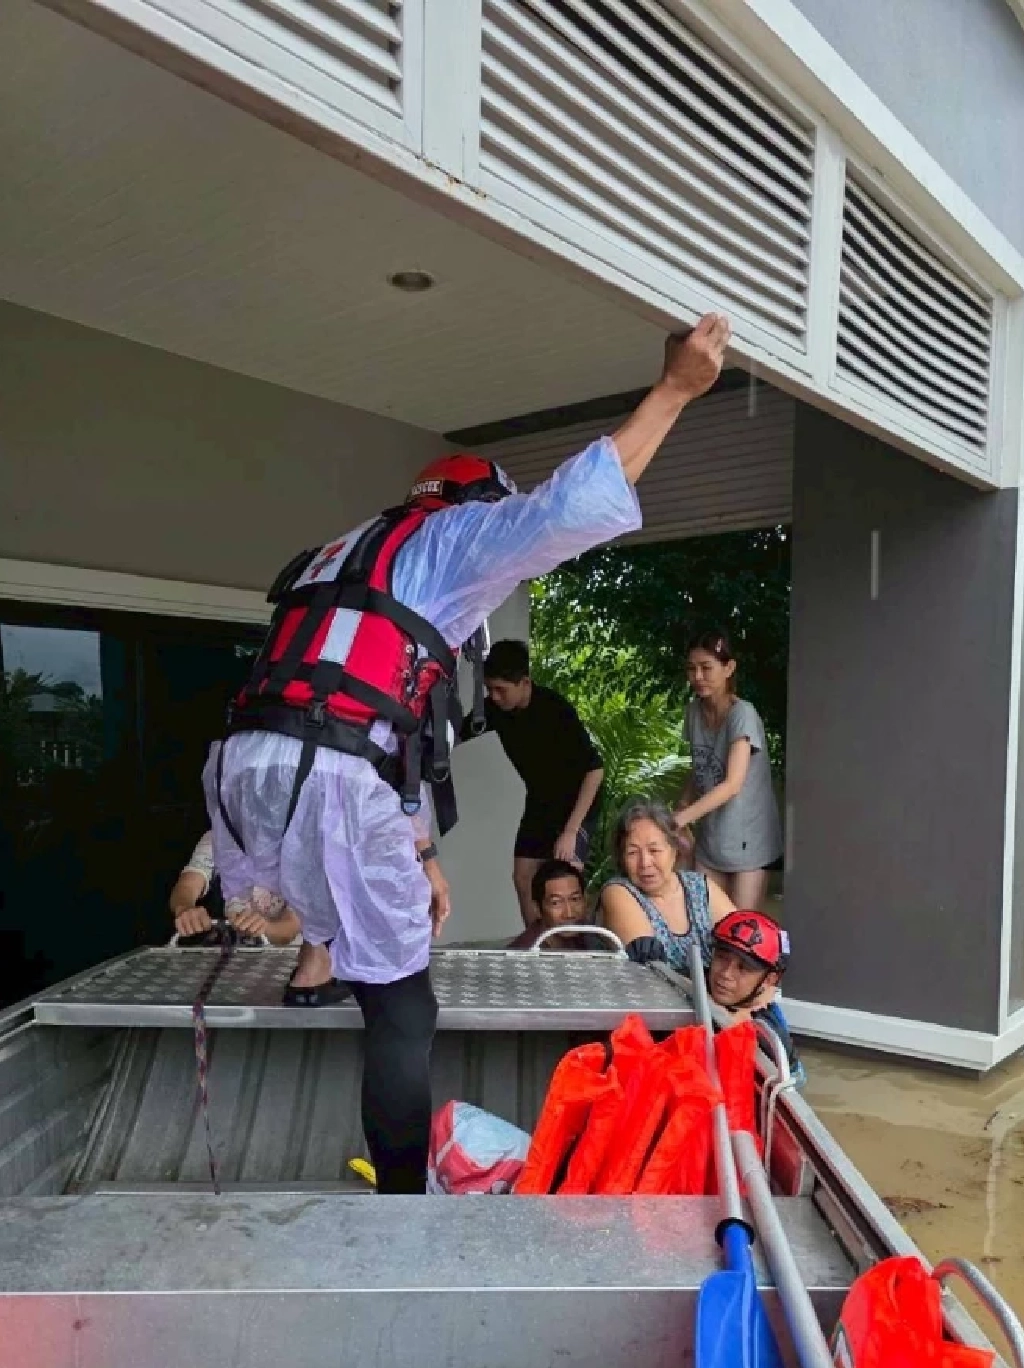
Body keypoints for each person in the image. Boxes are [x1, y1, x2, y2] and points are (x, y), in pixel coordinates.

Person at [204, 314, 733, 1193]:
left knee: (324, 914)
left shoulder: (335, 554)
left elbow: (380, 722)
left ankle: (316, 965)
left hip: (240, 773)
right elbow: (567, 509)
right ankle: (407, 1199)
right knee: (404, 1007)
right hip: (329, 776)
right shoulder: (452, 535)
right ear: (474, 506)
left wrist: (420, 858)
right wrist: (675, 391)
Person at [465, 639, 604, 924]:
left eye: (501, 690)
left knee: (567, 879)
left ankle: (579, 947)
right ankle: (538, 946)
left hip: (577, 804)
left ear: (524, 683)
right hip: (540, 801)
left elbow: (595, 771)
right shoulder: (493, 710)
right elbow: (454, 735)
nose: (494, 697)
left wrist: (571, 831)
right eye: (490, 690)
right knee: (523, 876)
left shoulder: (556, 710)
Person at [168, 830, 352, 1005]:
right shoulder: (220, 836)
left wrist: (264, 928)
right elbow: (187, 886)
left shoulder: (304, 845)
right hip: (234, 964)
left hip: (289, 963)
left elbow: (289, 929)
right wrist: (185, 909)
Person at [674, 629, 782, 911]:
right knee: (702, 921)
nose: (697, 676)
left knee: (740, 935)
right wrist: (683, 802)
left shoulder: (742, 714)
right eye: (691, 669)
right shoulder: (693, 711)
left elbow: (733, 783)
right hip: (711, 840)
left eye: (706, 668)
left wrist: (681, 817)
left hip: (749, 841)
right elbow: (700, 765)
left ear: (728, 668)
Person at [597, 798, 735, 973]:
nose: (645, 862)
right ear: (622, 858)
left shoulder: (699, 887)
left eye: (654, 850)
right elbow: (650, 968)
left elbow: (747, 938)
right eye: (632, 853)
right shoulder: (618, 891)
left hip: (716, 998)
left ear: (674, 849)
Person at [706, 909, 803, 1081]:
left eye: (743, 968)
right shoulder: (689, 981)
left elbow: (792, 1086)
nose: (726, 974)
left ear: (769, 979)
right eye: (721, 958)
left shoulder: (769, 1036)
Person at [507, 860, 612, 951]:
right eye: (556, 903)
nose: (569, 913)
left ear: (585, 900)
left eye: (575, 899)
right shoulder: (524, 953)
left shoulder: (590, 937)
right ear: (537, 909)